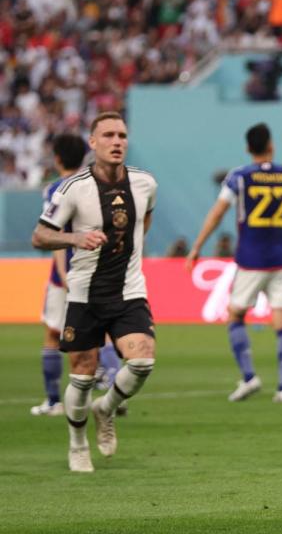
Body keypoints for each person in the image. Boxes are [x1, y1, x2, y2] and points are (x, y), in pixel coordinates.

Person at [31, 112, 159, 473]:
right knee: (83, 374)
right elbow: (40, 235)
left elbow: (145, 219)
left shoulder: (145, 183)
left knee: (143, 360)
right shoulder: (72, 188)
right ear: (93, 142)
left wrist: (131, 250)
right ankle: (77, 444)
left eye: (122, 135)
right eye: (108, 135)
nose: (116, 141)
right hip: (84, 293)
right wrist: (75, 238)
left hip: (129, 290)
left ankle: (106, 408)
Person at [185, 123, 282, 403]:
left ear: (248, 148)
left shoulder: (239, 177)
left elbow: (218, 212)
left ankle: (250, 377)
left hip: (251, 260)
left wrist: (197, 246)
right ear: (271, 146)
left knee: (235, 315)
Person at [31, 134, 87, 417]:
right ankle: (113, 392)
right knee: (99, 333)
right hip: (93, 270)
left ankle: (53, 401)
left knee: (54, 333)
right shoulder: (92, 186)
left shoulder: (55, 189)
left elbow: (52, 234)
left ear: (57, 158)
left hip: (64, 273)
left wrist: (63, 272)